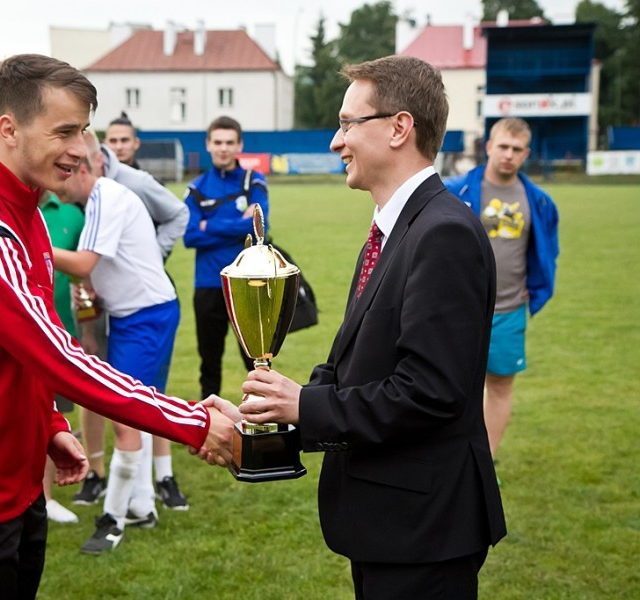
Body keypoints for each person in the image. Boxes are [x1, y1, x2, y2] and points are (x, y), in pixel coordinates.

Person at [0, 54, 235, 599]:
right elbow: (57, 355)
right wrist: (192, 421)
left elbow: (24, 346)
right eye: (65, 131)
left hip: (15, 486)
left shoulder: (27, 213)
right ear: (9, 129)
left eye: (84, 131)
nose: (81, 148)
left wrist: (48, 424)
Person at [207, 56, 507, 599]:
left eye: (348, 123)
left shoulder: (442, 234)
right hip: (393, 522)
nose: (334, 141)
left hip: (424, 529)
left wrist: (305, 405)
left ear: (399, 128)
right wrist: (270, 420)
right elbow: (359, 368)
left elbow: (430, 391)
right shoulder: (397, 228)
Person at [54, 133, 182, 553]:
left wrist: (28, 243)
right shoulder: (93, 202)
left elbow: (84, 263)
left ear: (85, 169)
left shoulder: (107, 196)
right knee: (136, 411)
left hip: (146, 317)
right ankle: (142, 506)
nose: (56, 186)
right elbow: (89, 277)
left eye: (63, 175)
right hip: (137, 316)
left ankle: (113, 518)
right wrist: (89, 328)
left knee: (124, 415)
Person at [445, 117, 559, 461]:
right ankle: (449, 455)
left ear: (526, 154)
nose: (509, 155)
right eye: (503, 147)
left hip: (508, 310)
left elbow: (547, 250)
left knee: (499, 386)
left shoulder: (538, 201)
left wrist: (536, 288)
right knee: (449, 386)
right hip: (458, 309)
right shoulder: (454, 191)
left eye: (517, 149)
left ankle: (485, 459)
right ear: (489, 147)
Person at [183, 116, 266, 399]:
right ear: (208, 144)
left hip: (247, 282)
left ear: (239, 145)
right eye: (218, 142)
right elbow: (189, 236)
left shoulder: (253, 180)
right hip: (207, 284)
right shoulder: (196, 188)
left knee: (256, 359)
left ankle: (265, 420)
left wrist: (210, 224)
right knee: (209, 360)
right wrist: (235, 226)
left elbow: (256, 225)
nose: (223, 148)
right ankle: (208, 426)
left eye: (230, 142)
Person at [39, 190, 85, 524]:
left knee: (51, 416)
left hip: (62, 329)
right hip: (21, 330)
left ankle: (45, 497)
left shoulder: (72, 215)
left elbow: (86, 268)